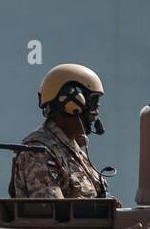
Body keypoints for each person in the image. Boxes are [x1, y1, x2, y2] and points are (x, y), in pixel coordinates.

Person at [9, 63, 107, 198]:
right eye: (93, 102)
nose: (96, 112)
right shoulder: (38, 152)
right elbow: (50, 213)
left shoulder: (70, 147)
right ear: (72, 104)